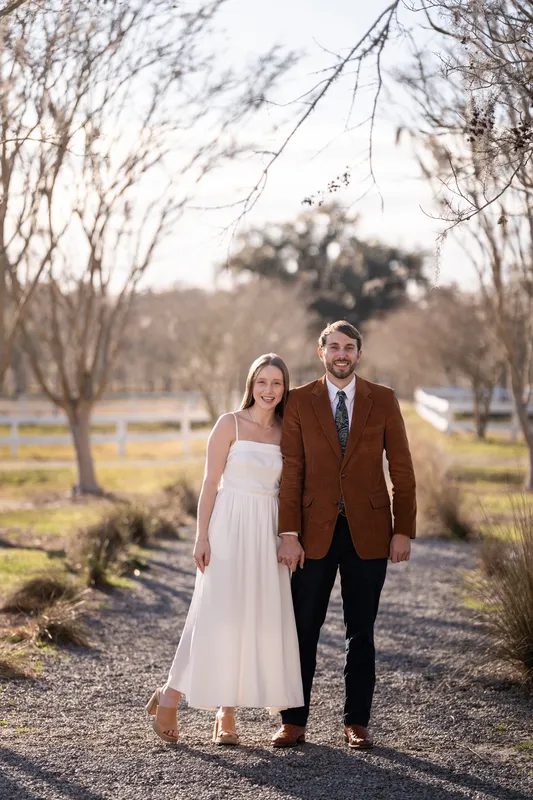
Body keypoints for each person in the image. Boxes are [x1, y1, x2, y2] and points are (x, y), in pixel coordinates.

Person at [272, 320, 416, 749]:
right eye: (333, 346)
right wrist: (288, 532)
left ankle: (357, 721)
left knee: (362, 631)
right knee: (303, 628)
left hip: (369, 534)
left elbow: (403, 470)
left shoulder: (384, 400)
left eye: (349, 347)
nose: (341, 354)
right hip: (312, 534)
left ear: (358, 353)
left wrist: (403, 530)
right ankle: (293, 721)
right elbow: (292, 471)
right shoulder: (299, 401)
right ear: (321, 352)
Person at [146, 354, 303, 745]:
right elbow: (209, 484)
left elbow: (292, 489)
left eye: (277, 383)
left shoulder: (289, 430)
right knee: (216, 614)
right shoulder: (229, 423)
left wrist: (290, 534)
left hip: (266, 529)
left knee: (252, 619)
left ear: (285, 389)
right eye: (262, 382)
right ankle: (170, 695)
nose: (269, 390)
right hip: (229, 526)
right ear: (251, 384)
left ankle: (226, 714)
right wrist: (202, 536)